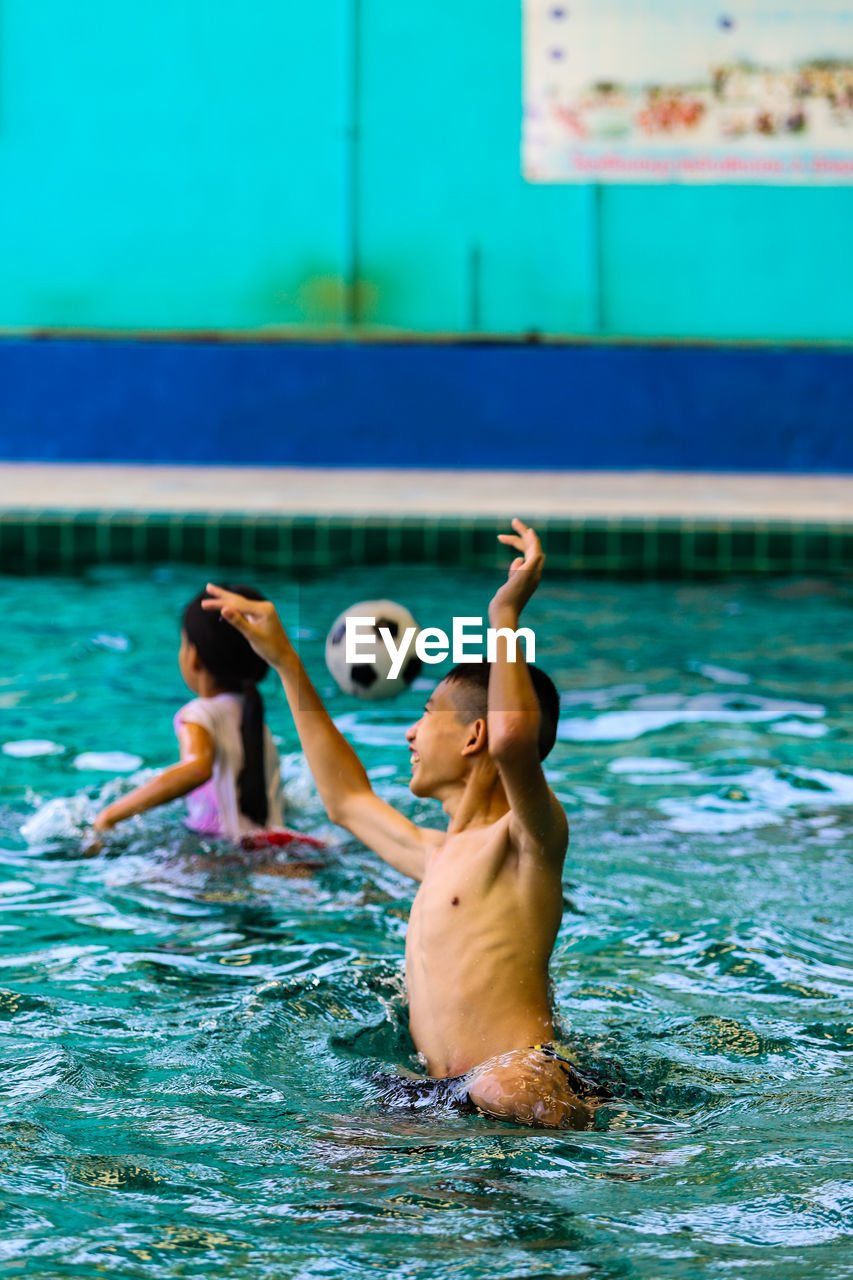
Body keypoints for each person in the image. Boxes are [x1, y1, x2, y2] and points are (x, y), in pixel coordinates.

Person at [204, 521, 600, 1129]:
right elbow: (345, 800)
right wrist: (284, 660)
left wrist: (504, 615)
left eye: (426, 712)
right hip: (444, 1093)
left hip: (520, 1077)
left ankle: (629, 1150)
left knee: (507, 1087)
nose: (409, 733)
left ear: (476, 735)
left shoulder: (526, 843)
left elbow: (515, 741)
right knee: (336, 1159)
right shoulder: (438, 855)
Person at [92, 586, 285, 842]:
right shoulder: (256, 722)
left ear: (194, 656)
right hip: (272, 842)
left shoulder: (198, 713)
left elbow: (197, 768)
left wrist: (110, 815)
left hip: (222, 851)